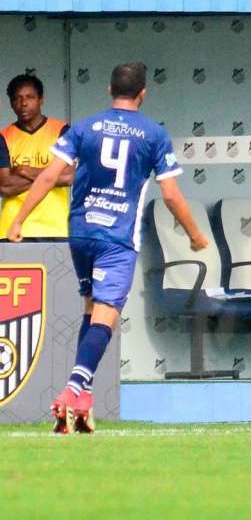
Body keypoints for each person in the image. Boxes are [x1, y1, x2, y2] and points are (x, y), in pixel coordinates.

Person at [6, 62, 208, 434]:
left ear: (108, 89)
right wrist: (195, 234)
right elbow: (171, 195)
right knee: (108, 314)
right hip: (117, 238)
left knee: (91, 309)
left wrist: (18, 220)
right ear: (143, 93)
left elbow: (50, 175)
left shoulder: (85, 126)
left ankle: (83, 398)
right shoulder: (153, 134)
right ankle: (72, 390)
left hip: (80, 233)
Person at [0, 74, 75, 238]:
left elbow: (69, 177)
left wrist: (26, 171)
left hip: (55, 227)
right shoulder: (3, 137)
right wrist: (51, 175)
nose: (23, 103)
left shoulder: (62, 131)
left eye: (30, 97)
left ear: (41, 100)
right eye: (17, 98)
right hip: (12, 230)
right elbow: (4, 186)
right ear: (11, 103)